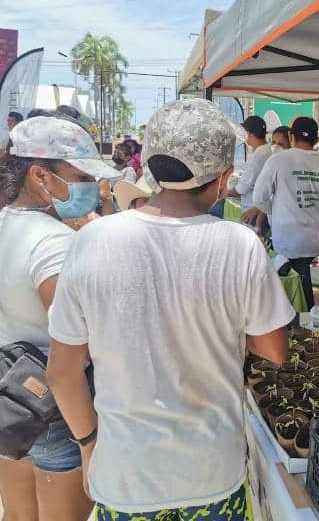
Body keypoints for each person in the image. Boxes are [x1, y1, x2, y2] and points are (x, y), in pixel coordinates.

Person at [46, 98, 292, 520]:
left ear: (151, 168)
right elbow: (274, 349)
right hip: (211, 476)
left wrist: (89, 446)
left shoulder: (92, 240)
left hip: (125, 478)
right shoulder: (240, 245)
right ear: (224, 179)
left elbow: (62, 372)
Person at [0, 115, 118, 521]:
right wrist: (88, 441)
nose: (91, 185)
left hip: (5, 388)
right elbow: (76, 349)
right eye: (80, 174)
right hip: (53, 404)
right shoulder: (57, 242)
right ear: (40, 175)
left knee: (18, 514)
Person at [248, 116, 319, 308]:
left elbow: (259, 198)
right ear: (316, 140)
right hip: (312, 238)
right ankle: (304, 318)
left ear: (291, 136)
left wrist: (274, 211)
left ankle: (300, 322)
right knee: (301, 278)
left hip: (286, 238)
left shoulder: (277, 160)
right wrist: (318, 198)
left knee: (293, 283)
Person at [227, 115, 272, 234]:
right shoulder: (268, 151)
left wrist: (223, 193)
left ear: (248, 132)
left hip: (253, 212)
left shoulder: (257, 157)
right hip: (263, 210)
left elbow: (242, 189)